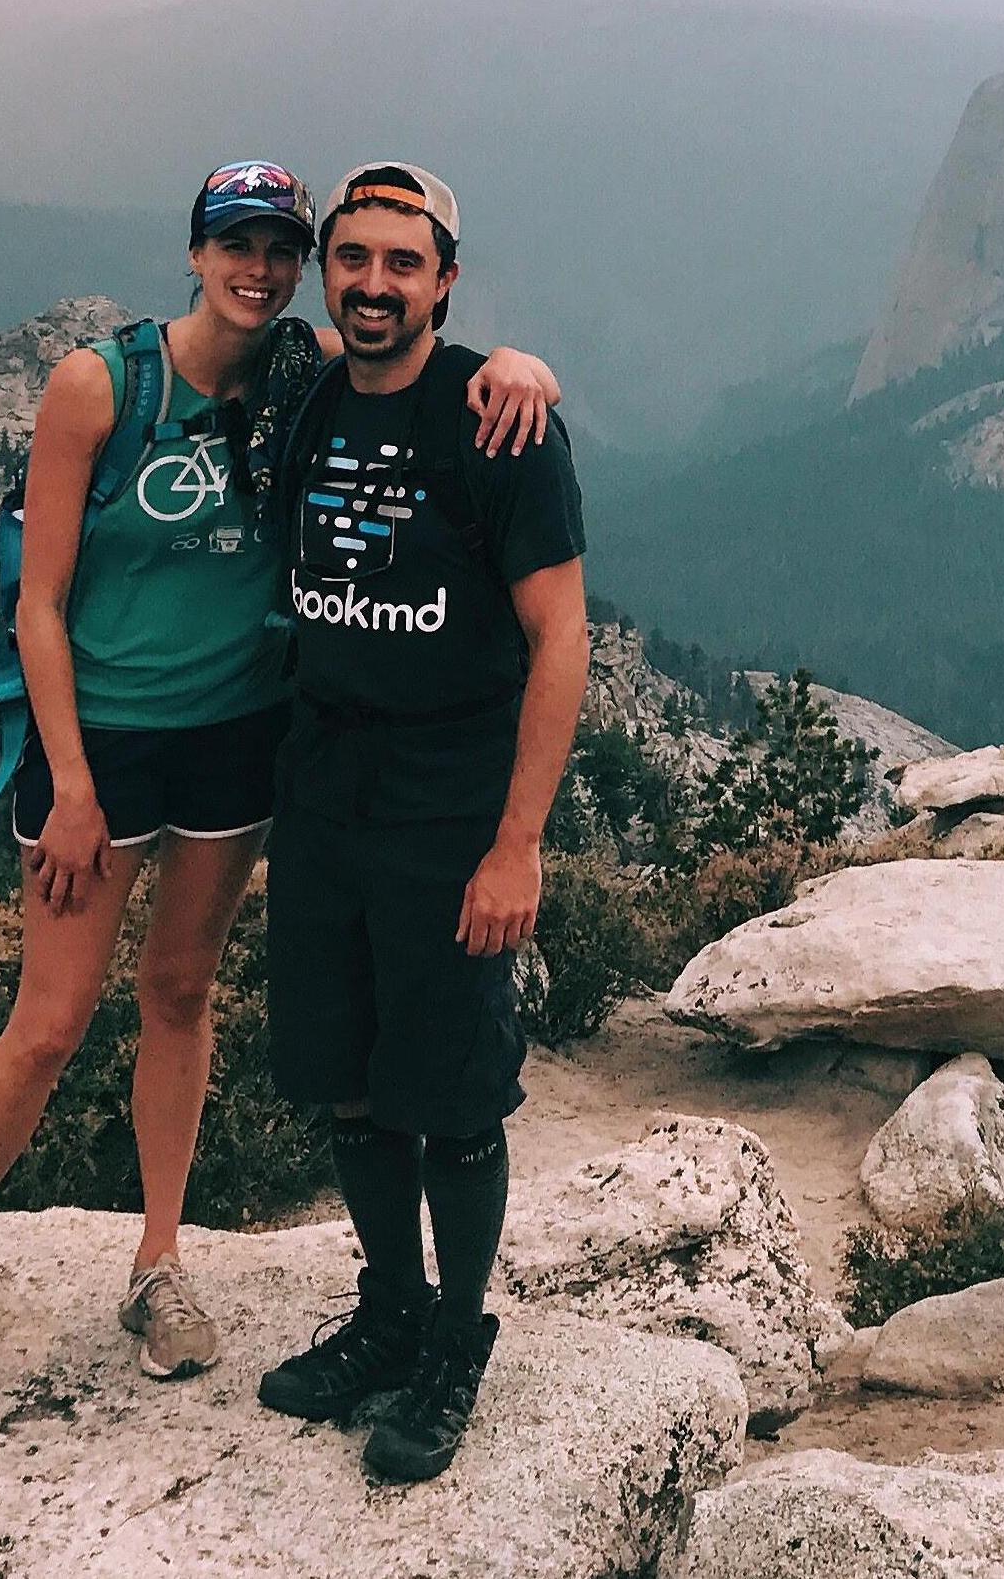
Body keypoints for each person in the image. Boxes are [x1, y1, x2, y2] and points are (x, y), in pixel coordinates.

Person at [0, 160, 560, 1393]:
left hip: (240, 742)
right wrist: (71, 782)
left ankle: (158, 1260)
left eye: (280, 249)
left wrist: (526, 366)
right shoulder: (104, 383)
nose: (261, 269)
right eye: (236, 245)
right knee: (47, 1025)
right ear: (194, 252)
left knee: (180, 993)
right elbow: (36, 603)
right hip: (105, 744)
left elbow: (434, 360)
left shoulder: (298, 377)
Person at [256, 162, 589, 1484]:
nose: (375, 284)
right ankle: (388, 1309)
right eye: (354, 259)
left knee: (451, 1093)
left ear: (446, 278)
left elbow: (559, 639)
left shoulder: (499, 423)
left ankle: (455, 1336)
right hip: (324, 790)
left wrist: (519, 841)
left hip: (451, 799)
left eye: (405, 262)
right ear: (328, 271)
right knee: (345, 1077)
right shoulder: (309, 394)